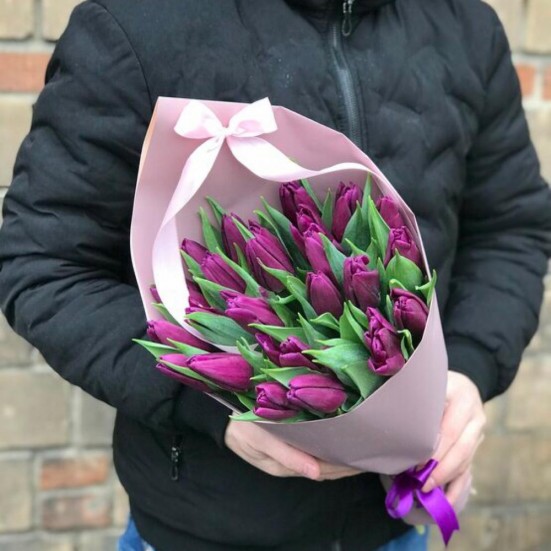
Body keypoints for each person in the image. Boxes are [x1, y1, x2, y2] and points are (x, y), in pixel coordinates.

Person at [0, 0, 550, 550]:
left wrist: (469, 370)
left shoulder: (465, 26)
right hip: (205, 530)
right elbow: (44, 266)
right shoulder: (134, 24)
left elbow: (511, 228)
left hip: (391, 526)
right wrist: (210, 402)